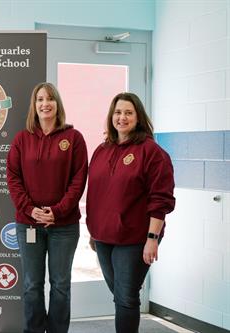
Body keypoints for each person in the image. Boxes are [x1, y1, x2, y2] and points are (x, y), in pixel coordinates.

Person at [86, 92, 175, 333]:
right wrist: (93, 231)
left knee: (126, 296)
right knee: (120, 294)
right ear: (111, 117)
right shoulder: (101, 151)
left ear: (138, 117)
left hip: (135, 238)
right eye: (117, 112)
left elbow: (161, 199)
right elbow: (95, 194)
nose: (122, 118)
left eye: (128, 112)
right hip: (104, 238)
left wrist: (152, 239)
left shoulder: (152, 152)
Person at [7, 82, 88, 333]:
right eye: (40, 99)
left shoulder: (73, 138)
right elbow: (13, 177)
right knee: (32, 284)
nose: (45, 103)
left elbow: (79, 178)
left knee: (61, 284)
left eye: (50, 98)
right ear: (34, 105)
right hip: (28, 224)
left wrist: (58, 211)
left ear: (57, 104)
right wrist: (30, 210)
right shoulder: (22, 139)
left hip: (63, 226)